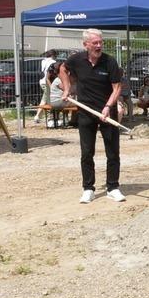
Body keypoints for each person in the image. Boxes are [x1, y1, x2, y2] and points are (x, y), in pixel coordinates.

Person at [60, 29, 124, 204]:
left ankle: (113, 187)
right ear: (85, 44)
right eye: (95, 43)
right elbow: (62, 69)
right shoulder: (77, 60)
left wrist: (108, 106)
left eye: (100, 42)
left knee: (113, 152)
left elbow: (117, 88)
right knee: (87, 152)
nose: (98, 46)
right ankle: (88, 188)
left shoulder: (109, 62)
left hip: (107, 112)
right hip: (86, 112)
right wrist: (67, 89)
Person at [34, 49, 57, 123]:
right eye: (55, 56)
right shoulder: (53, 62)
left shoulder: (43, 61)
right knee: (50, 99)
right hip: (47, 82)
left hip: (41, 81)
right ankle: (50, 117)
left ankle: (37, 116)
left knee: (44, 99)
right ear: (53, 55)